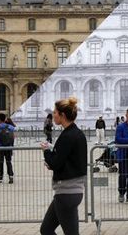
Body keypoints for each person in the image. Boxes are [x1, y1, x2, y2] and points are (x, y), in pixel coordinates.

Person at [40, 97, 87, 235]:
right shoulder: (76, 133)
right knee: (46, 229)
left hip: (67, 192)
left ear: (63, 115)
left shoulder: (68, 136)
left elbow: (55, 163)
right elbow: (70, 159)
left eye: (55, 112)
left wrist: (46, 151)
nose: (53, 115)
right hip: (69, 191)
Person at [0, 113, 16, 184]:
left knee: (1, 162)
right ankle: (11, 176)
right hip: (9, 147)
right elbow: (13, 137)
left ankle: (0, 178)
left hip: (1, 147)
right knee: (9, 162)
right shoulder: (10, 127)